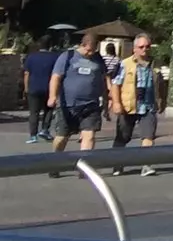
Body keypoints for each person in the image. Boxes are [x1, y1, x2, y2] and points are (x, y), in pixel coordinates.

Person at [48, 32, 110, 166]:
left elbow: (104, 79)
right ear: (82, 45)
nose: (90, 53)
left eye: (93, 50)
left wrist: (106, 101)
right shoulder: (68, 56)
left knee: (89, 135)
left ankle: (84, 165)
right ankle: (54, 162)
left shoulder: (97, 58)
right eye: (88, 50)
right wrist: (52, 96)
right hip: (68, 105)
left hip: (90, 105)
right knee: (62, 137)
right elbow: (56, 77)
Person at [113, 33, 164, 174]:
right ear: (134, 48)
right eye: (141, 47)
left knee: (148, 136)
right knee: (122, 137)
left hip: (148, 106)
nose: (145, 50)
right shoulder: (125, 64)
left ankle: (146, 165)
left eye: (147, 47)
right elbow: (115, 84)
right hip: (128, 105)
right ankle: (117, 164)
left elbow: (161, 84)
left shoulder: (156, 64)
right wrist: (116, 103)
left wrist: (162, 100)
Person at [22, 34, 61, 144]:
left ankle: (33, 135)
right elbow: (57, 73)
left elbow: (26, 73)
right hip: (49, 88)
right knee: (48, 110)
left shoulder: (31, 56)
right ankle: (45, 129)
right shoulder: (55, 57)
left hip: (33, 87)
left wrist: (26, 87)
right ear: (51, 46)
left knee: (34, 112)